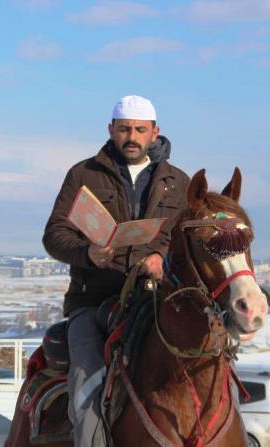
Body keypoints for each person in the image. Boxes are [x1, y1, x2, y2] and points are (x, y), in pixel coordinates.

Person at [42, 95, 189, 446]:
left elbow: (186, 240)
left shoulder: (178, 182)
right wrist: (88, 253)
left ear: (155, 132)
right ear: (111, 130)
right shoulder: (84, 174)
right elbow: (54, 235)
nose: (132, 137)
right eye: (124, 129)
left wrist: (161, 259)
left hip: (154, 298)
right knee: (87, 380)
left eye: (140, 129)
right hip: (92, 300)